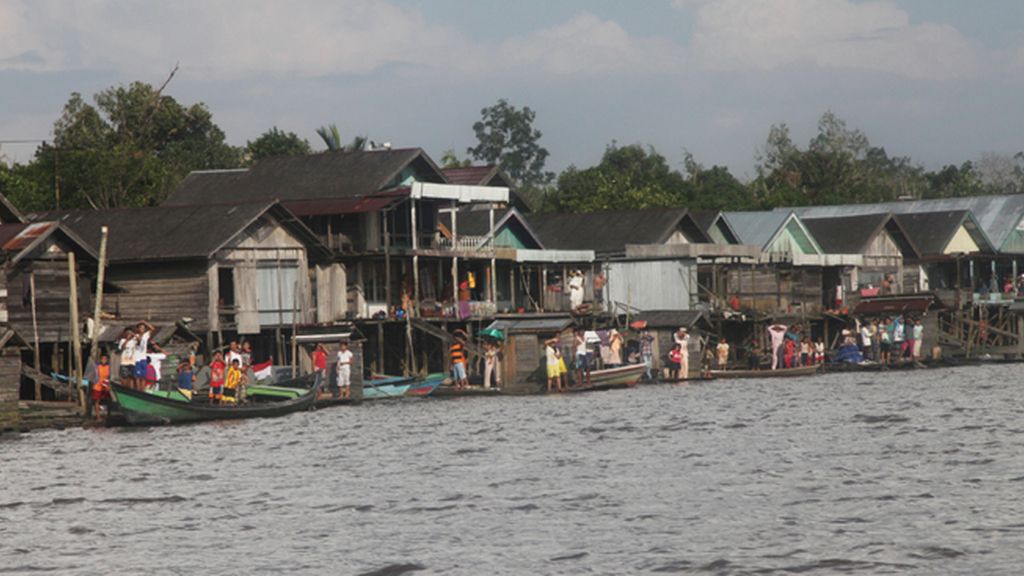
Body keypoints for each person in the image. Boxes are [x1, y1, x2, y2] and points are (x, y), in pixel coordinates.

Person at [91, 354, 111, 422]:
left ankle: (108, 416)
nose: (104, 360)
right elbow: (93, 376)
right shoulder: (97, 367)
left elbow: (109, 377)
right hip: (97, 385)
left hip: (105, 384)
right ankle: (98, 417)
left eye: (105, 359)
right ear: (100, 359)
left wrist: (107, 385)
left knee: (108, 400)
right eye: (102, 359)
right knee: (97, 401)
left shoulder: (108, 367)